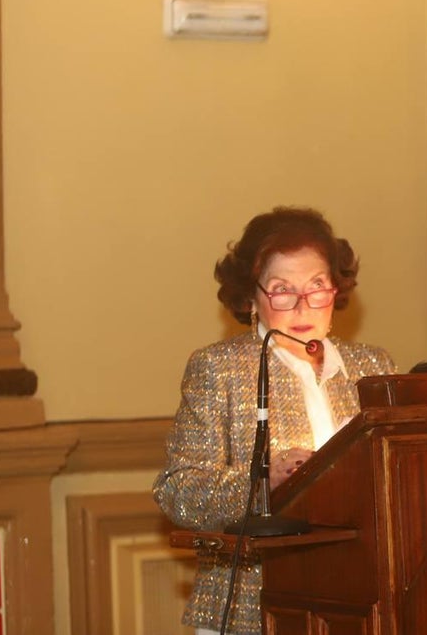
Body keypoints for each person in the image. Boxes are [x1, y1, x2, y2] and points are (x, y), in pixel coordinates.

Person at [153, 206, 397, 635]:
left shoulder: (371, 366)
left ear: (336, 290)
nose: (303, 304)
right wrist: (262, 482)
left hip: (354, 604)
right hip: (249, 609)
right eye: (282, 290)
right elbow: (178, 491)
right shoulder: (220, 369)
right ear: (251, 297)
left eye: (317, 286)